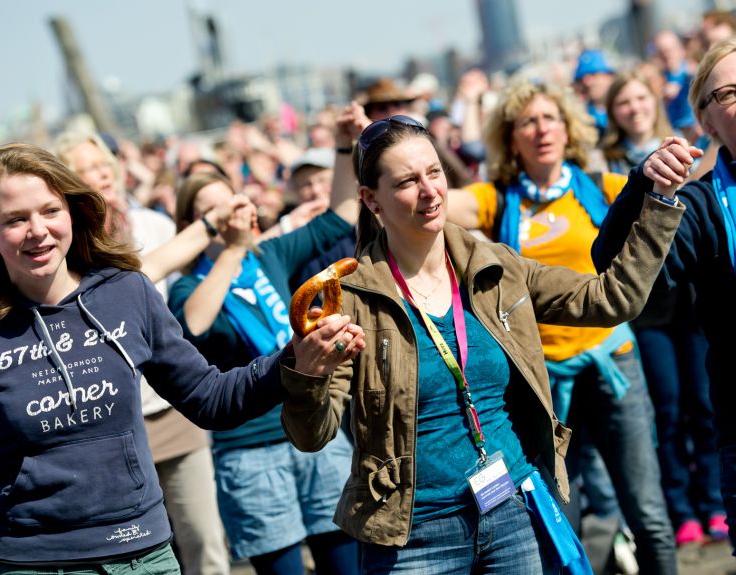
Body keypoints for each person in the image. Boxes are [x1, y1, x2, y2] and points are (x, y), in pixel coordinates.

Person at [279, 115, 685, 573]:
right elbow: (312, 435)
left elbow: (613, 299)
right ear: (372, 200)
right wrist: (308, 375)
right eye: (408, 182)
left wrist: (660, 203)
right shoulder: (351, 301)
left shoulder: (496, 269)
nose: (430, 190)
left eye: (434, 173)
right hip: (414, 538)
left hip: (512, 510)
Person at [0, 142, 362, 571]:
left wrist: (292, 359)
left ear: (71, 210)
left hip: (143, 554)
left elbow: (210, 397)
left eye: (49, 211)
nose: (37, 230)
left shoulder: (124, 292)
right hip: (33, 561)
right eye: (15, 219)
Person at [444, 78, 677, 574]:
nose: (540, 128)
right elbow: (436, 204)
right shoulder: (496, 200)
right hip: (542, 382)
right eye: (527, 121)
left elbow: (675, 194)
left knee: (649, 512)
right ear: (511, 138)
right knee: (556, 518)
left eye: (550, 117)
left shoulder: (601, 188)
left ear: (568, 129)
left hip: (614, 363)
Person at [168, 166, 361, 574]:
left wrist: (344, 147)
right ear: (192, 226)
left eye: (231, 202)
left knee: (348, 564)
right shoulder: (187, 287)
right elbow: (195, 324)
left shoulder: (269, 255)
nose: (229, 215)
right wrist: (233, 247)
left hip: (312, 435)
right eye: (213, 210)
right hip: (249, 455)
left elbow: (342, 214)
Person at [55, 131, 232, 574]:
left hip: (174, 407)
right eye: (85, 170)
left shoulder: (153, 225)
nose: (100, 175)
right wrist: (207, 224)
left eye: (103, 165)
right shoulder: (70, 247)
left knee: (204, 539)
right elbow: (137, 276)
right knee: (142, 551)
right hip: (115, 422)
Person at [592, 37, 736, 552]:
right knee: (674, 412)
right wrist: (641, 188)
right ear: (706, 122)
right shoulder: (702, 205)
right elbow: (614, 273)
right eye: (731, 93)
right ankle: (689, 509)